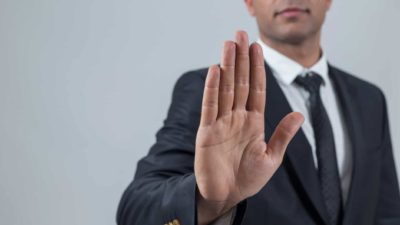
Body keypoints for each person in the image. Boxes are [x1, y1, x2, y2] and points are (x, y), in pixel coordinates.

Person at [116, 0, 400, 224]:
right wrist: (208, 200)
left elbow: (387, 213)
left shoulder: (369, 98)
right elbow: (136, 210)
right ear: (250, 3)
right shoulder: (207, 92)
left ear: (328, 0)